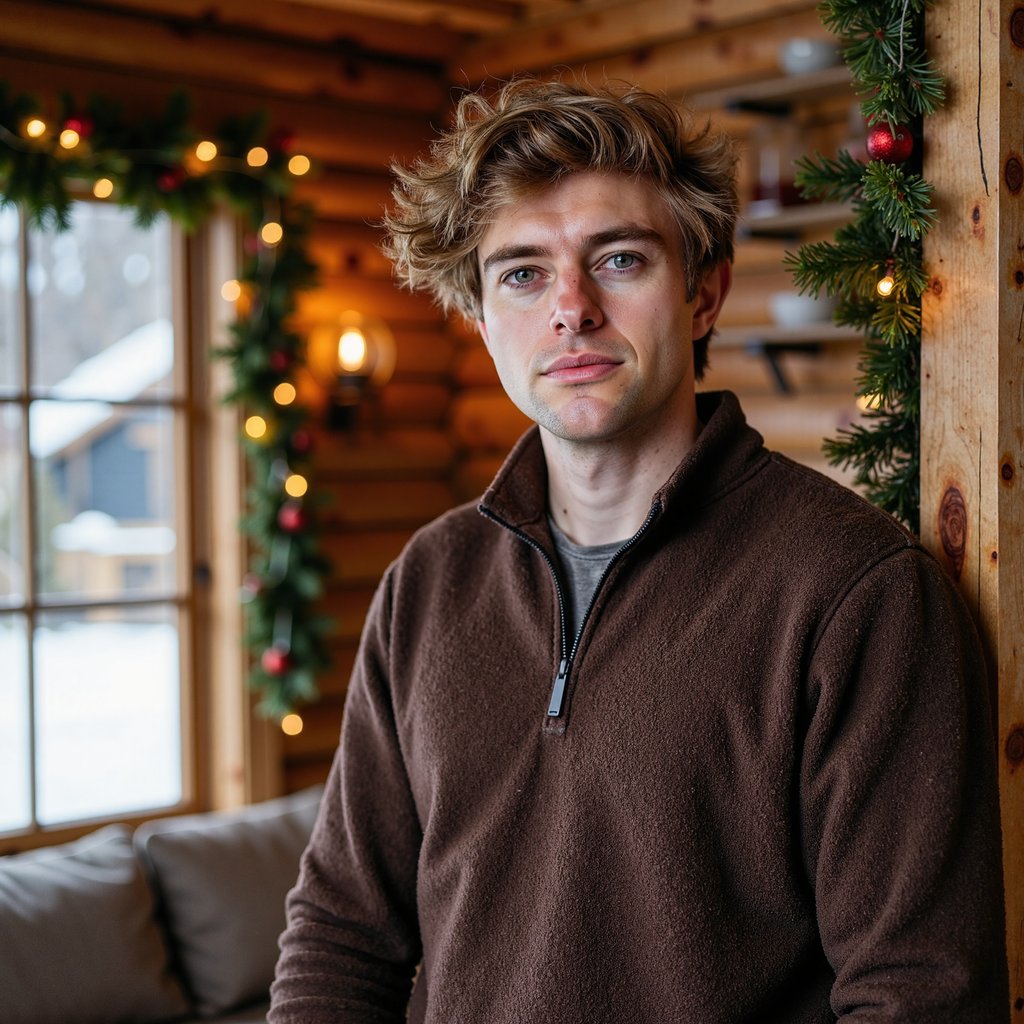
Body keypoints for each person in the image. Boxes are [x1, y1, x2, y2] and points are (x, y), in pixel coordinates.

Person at [269, 78, 1008, 1023]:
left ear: (704, 293)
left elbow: (921, 997)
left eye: (618, 260)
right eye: (523, 273)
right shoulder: (429, 582)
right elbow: (341, 932)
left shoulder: (857, 593)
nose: (570, 309)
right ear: (482, 317)